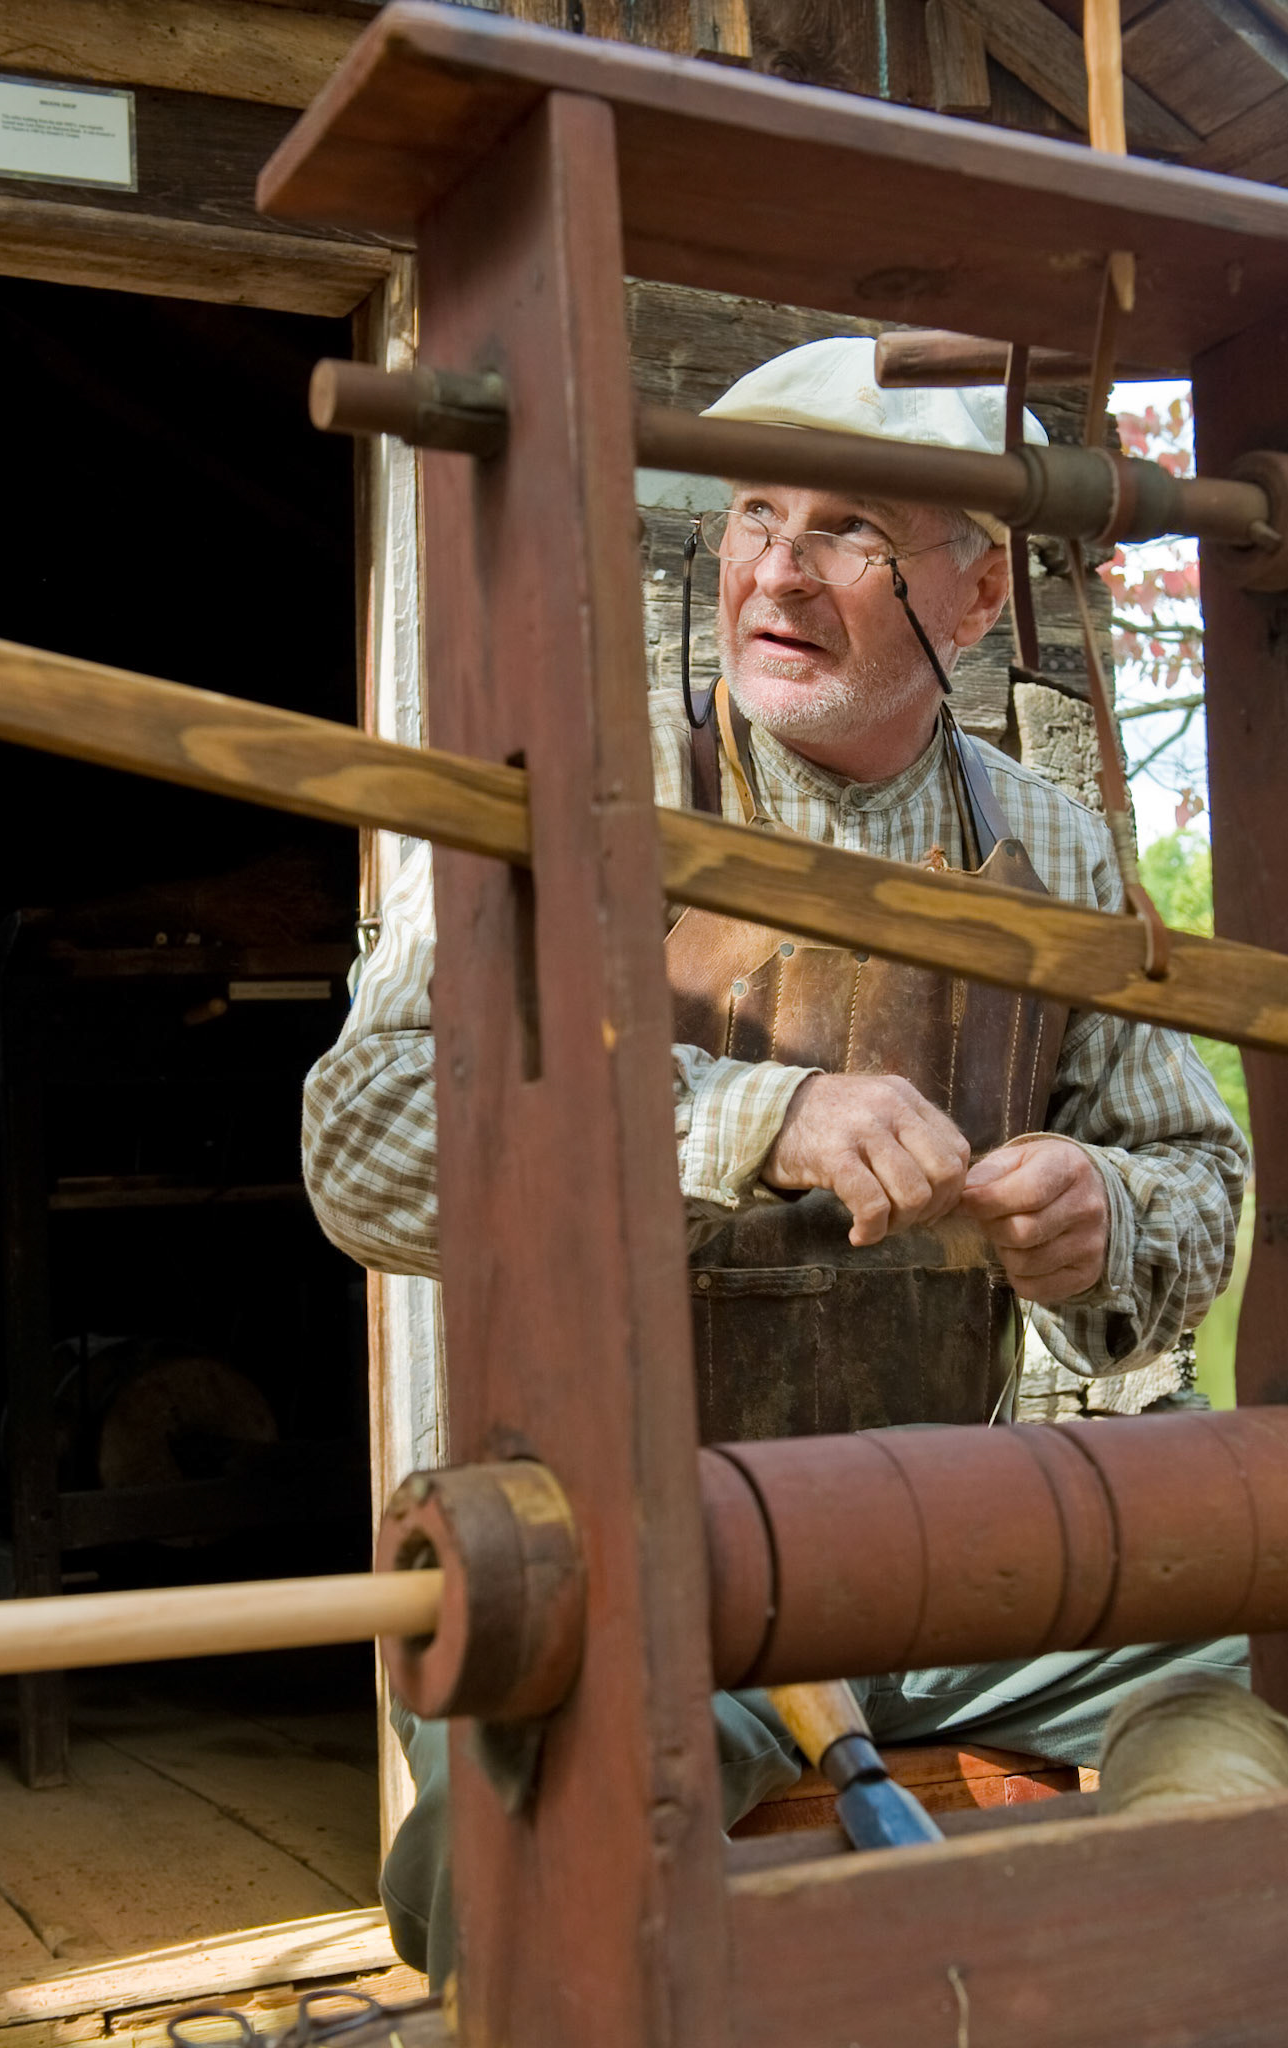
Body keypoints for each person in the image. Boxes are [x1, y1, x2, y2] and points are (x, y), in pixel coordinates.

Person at [301, 337, 1249, 1984]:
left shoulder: (1062, 848)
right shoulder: (573, 812)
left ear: (970, 594)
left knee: (1239, 1680)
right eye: (752, 515)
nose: (777, 571)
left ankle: (1162, 1977)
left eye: (849, 531)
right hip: (644, 1552)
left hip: (964, 1543)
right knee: (513, 1850)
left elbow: (1201, 1178)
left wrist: (1106, 1219)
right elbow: (359, 1141)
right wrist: (745, 1120)